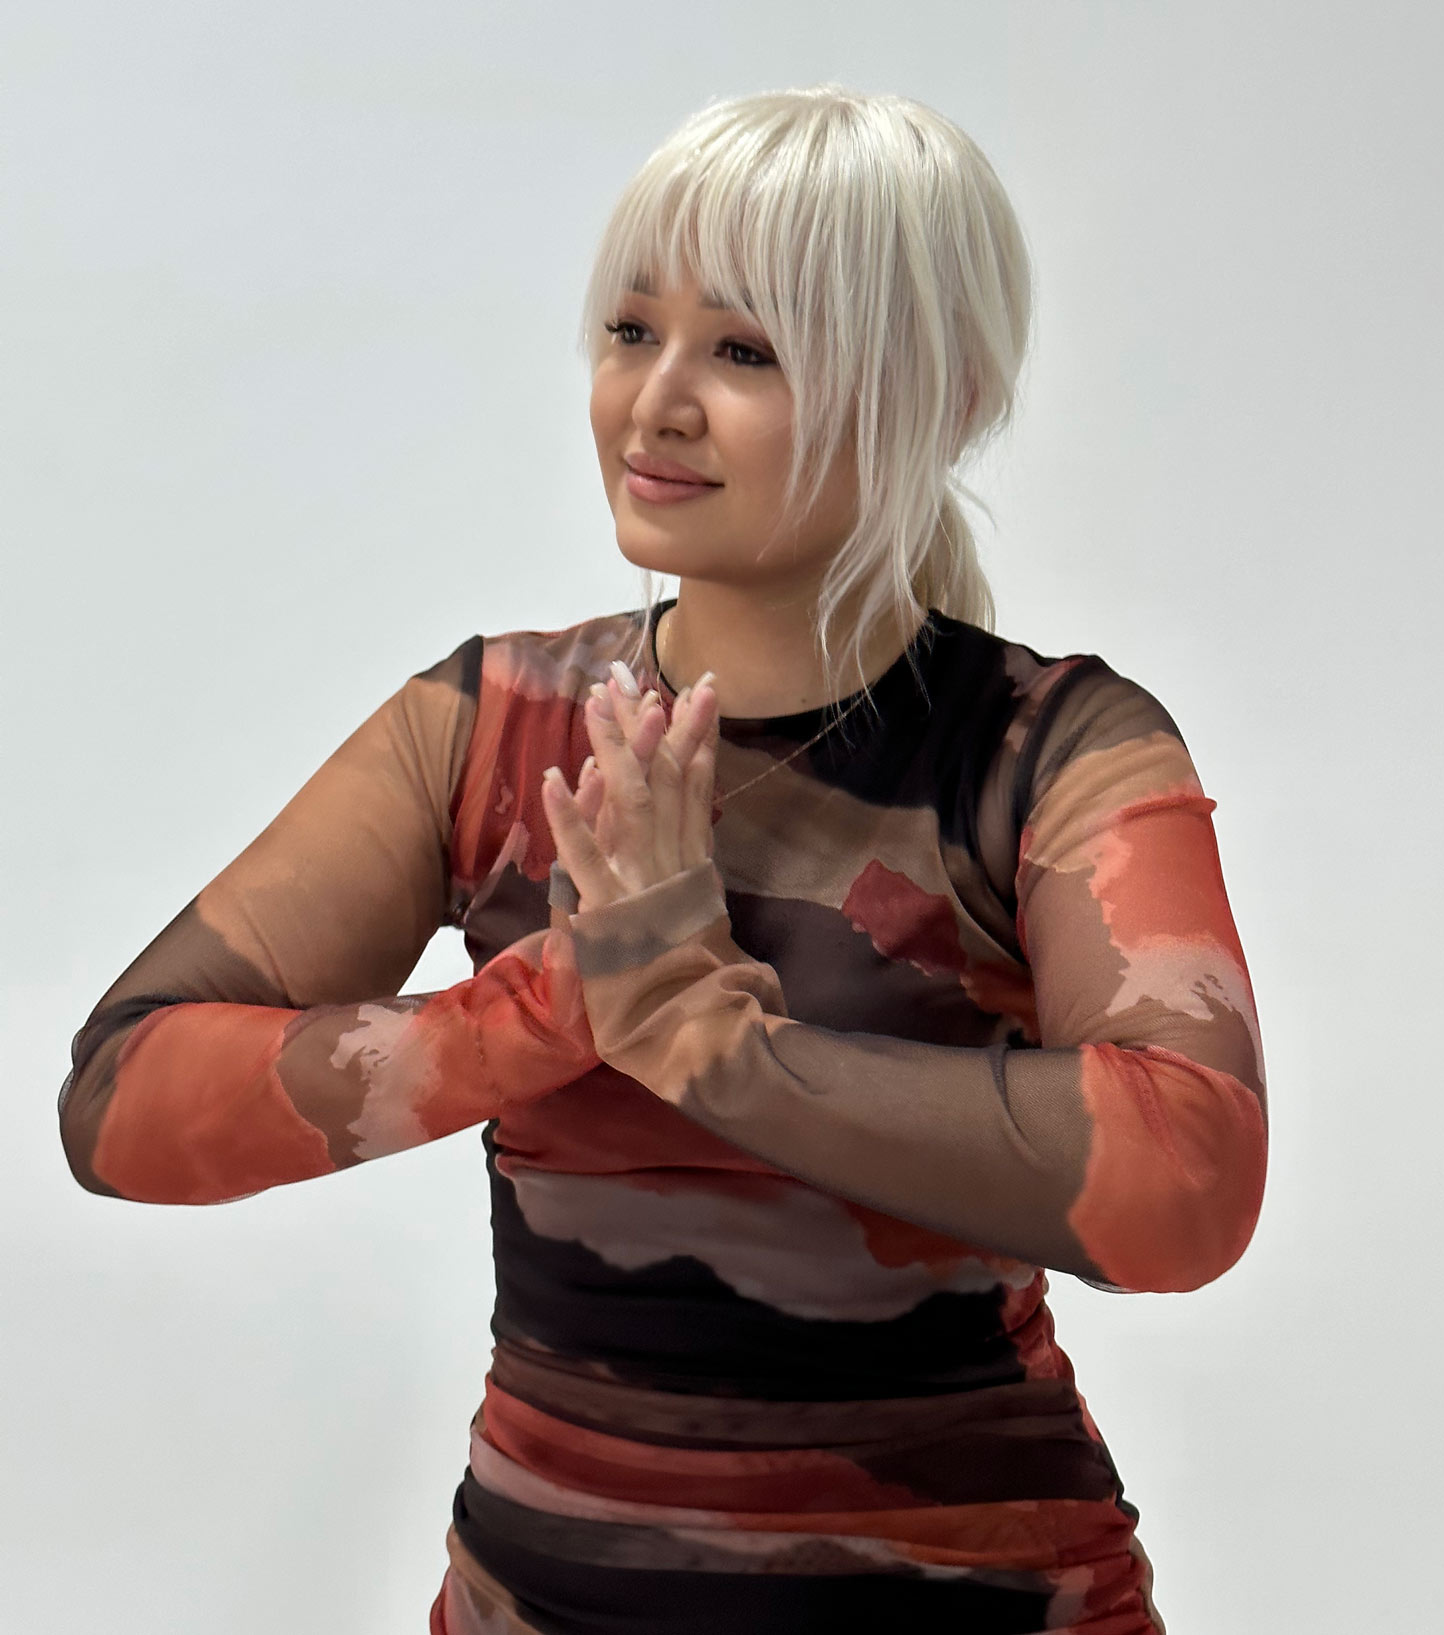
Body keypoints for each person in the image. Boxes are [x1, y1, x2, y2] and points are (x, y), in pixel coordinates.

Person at [60, 86, 1268, 1634]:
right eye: (633, 333)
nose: (657, 402)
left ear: (937, 397)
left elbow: (1190, 1181)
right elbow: (121, 1103)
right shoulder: (484, 726)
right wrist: (554, 1003)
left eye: (745, 351)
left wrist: (718, 1048)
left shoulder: (1054, 747)